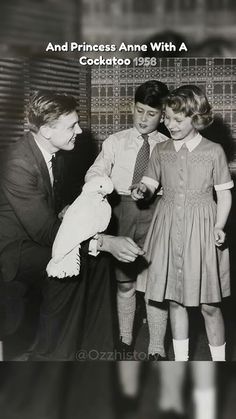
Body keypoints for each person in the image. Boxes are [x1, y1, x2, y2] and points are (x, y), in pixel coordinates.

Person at [0, 90, 143, 361]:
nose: (79, 130)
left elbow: (56, 208)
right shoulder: (18, 162)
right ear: (46, 130)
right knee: (72, 266)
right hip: (13, 251)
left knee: (97, 261)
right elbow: (46, 232)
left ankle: (94, 355)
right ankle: (50, 361)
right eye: (71, 126)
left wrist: (69, 210)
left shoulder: (57, 153)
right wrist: (104, 241)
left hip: (37, 237)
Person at [132, 85, 233, 361]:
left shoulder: (214, 151)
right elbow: (151, 183)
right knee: (175, 300)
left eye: (178, 119)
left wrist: (219, 226)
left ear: (196, 118)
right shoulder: (161, 149)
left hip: (201, 229)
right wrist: (143, 189)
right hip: (167, 226)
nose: (169, 124)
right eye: (166, 117)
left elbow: (224, 195)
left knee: (209, 305)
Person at [85, 80, 170, 358]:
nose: (144, 119)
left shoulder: (168, 145)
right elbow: (95, 172)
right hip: (121, 211)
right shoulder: (115, 141)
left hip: (157, 212)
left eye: (152, 113)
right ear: (132, 107)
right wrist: (101, 185)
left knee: (157, 282)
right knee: (125, 282)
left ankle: (156, 346)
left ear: (163, 113)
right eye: (139, 110)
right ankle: (125, 338)